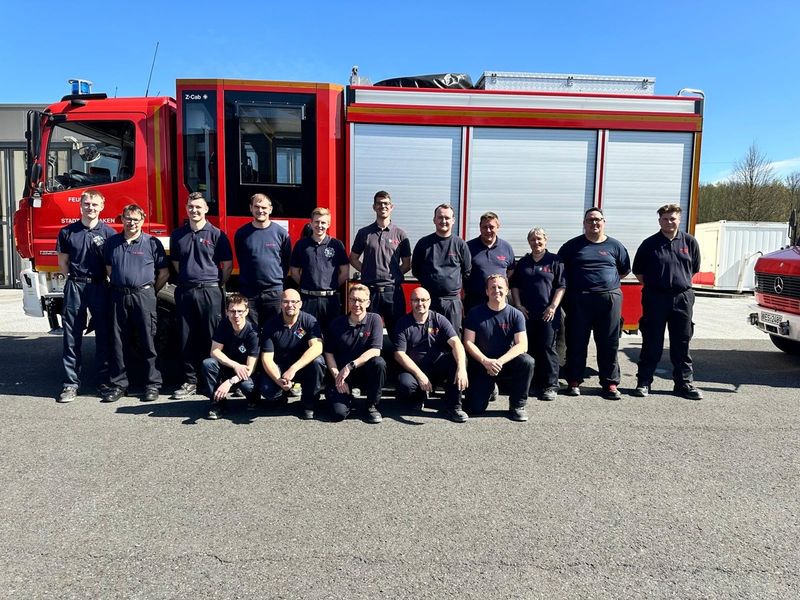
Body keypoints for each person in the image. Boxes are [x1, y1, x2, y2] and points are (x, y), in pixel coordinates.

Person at [558, 207, 631, 400]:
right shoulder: (572, 246)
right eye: (590, 220)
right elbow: (559, 270)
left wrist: (605, 285)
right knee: (576, 341)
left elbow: (623, 270)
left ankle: (610, 383)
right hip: (579, 299)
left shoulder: (615, 246)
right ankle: (573, 381)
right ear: (584, 223)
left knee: (609, 342)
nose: (594, 223)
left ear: (604, 222)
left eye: (597, 220)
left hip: (608, 300)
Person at [632, 204, 703, 400]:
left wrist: (677, 284)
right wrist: (658, 286)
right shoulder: (649, 244)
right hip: (655, 298)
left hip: (682, 298)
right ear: (659, 221)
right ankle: (644, 382)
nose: (669, 222)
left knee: (682, 342)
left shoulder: (690, 242)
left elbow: (694, 268)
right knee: (651, 341)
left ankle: (683, 384)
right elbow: (638, 270)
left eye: (673, 219)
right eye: (665, 219)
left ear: (679, 220)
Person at [103, 204, 169, 403]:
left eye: (136, 219)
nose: (132, 223)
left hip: (144, 296)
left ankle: (152, 385)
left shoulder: (151, 243)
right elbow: (109, 269)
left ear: (143, 220)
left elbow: (163, 273)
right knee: (118, 342)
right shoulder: (111, 243)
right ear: (122, 219)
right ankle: (119, 385)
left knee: (149, 341)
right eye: (128, 219)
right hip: (119, 296)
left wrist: (149, 293)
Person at [170, 192, 233, 399]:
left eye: (198, 207)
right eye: (190, 207)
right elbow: (177, 265)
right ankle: (189, 380)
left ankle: (213, 380)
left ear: (206, 209)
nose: (194, 210)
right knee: (186, 336)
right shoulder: (177, 235)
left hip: (210, 291)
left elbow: (227, 267)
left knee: (212, 337)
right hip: (186, 290)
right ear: (186, 209)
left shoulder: (217, 235)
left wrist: (214, 285)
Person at [55, 189, 116, 402]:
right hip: (75, 287)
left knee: (104, 336)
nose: (90, 208)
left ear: (102, 206)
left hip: (100, 287)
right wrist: (72, 279)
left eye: (94, 204)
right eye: (87, 204)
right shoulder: (67, 232)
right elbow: (63, 262)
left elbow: (110, 265)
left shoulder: (109, 234)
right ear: (81, 206)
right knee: (72, 337)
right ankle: (71, 384)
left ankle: (102, 380)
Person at [463, 274, 534, 421]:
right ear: (487, 291)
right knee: (474, 408)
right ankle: (491, 389)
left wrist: (499, 362)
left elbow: (522, 345)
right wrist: (486, 361)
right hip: (482, 363)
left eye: (500, 287)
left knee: (527, 362)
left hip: (505, 363)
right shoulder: (475, 313)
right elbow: (468, 342)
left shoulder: (516, 315)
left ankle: (517, 406)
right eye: (492, 287)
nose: (497, 290)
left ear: (507, 290)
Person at [394, 287, 469, 423]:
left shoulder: (438, 319)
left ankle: (454, 407)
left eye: (423, 300)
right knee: (404, 385)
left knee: (458, 360)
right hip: (415, 368)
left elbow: (456, 343)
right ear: (410, 302)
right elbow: (399, 354)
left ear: (429, 302)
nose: (420, 304)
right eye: (416, 300)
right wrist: (419, 375)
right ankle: (419, 395)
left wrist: (462, 369)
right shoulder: (403, 322)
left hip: (436, 365)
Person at [510, 227, 566, 402]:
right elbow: (515, 286)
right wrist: (518, 305)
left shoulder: (555, 261)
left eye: (539, 239)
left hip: (548, 314)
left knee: (548, 348)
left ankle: (550, 385)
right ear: (529, 242)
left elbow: (561, 286)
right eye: (533, 239)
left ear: (546, 239)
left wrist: (553, 307)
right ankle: (533, 383)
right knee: (530, 348)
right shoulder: (524, 262)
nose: (536, 242)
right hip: (527, 314)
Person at [349, 191, 412, 339]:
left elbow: (407, 263)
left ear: (391, 207)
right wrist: (367, 271)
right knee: (367, 334)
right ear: (374, 207)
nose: (382, 206)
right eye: (379, 203)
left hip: (393, 292)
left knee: (398, 334)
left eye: (385, 204)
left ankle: (397, 362)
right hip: (370, 292)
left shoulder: (400, 234)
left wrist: (394, 274)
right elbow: (353, 259)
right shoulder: (364, 233)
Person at [323, 283, 386, 423]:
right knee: (337, 415)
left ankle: (372, 405)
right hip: (342, 375)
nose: (356, 304)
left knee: (379, 363)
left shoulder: (374, 319)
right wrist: (338, 378)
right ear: (348, 300)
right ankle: (346, 396)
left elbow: (375, 350)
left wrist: (350, 366)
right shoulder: (337, 323)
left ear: (368, 302)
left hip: (364, 372)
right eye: (353, 299)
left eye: (361, 300)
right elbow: (329, 353)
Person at [259, 289, 325, 420]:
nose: (290, 305)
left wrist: (293, 369)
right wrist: (279, 380)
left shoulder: (309, 321)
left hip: (301, 367)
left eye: (294, 302)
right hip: (280, 367)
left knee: (317, 362)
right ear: (281, 304)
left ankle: (309, 403)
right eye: (286, 302)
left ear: (300, 304)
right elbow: (266, 358)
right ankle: (281, 396)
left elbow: (317, 347)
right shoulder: (271, 325)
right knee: (269, 392)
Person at [234, 193, 292, 329]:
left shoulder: (281, 233)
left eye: (264, 208)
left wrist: (276, 278)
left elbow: (286, 260)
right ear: (251, 208)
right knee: (250, 330)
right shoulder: (242, 233)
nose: (260, 211)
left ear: (270, 209)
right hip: (249, 292)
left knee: (275, 329)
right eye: (257, 207)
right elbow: (240, 257)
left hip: (274, 291)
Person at [411, 204, 472, 333]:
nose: (443, 221)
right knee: (427, 336)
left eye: (447, 218)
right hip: (429, 301)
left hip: (452, 302)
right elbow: (416, 269)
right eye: (440, 218)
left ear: (453, 220)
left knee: (452, 338)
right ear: (434, 220)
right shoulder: (424, 244)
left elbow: (467, 272)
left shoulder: (460, 244)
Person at [290, 207, 349, 336]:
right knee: (303, 332)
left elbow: (344, 272)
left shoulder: (337, 245)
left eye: (323, 222)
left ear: (328, 224)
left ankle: (328, 356)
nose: (319, 225)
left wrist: (330, 286)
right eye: (316, 222)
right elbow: (294, 272)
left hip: (330, 299)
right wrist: (308, 285)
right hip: (307, 298)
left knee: (331, 334)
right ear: (311, 223)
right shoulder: (301, 245)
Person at [202, 293, 260, 420]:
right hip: (229, 367)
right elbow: (214, 351)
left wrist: (229, 382)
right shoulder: (223, 325)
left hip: (246, 373)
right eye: (232, 311)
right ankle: (217, 404)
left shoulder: (253, 333)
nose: (236, 315)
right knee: (208, 363)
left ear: (247, 312)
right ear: (227, 312)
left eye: (240, 311)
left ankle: (254, 399)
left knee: (248, 386)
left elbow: (251, 368)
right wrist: (235, 365)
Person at [464, 212, 516, 314]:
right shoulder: (468, 247)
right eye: (484, 227)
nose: (488, 230)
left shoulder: (506, 247)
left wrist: (499, 283)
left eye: (491, 227)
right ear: (480, 228)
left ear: (498, 227)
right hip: (475, 301)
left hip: (499, 301)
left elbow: (510, 270)